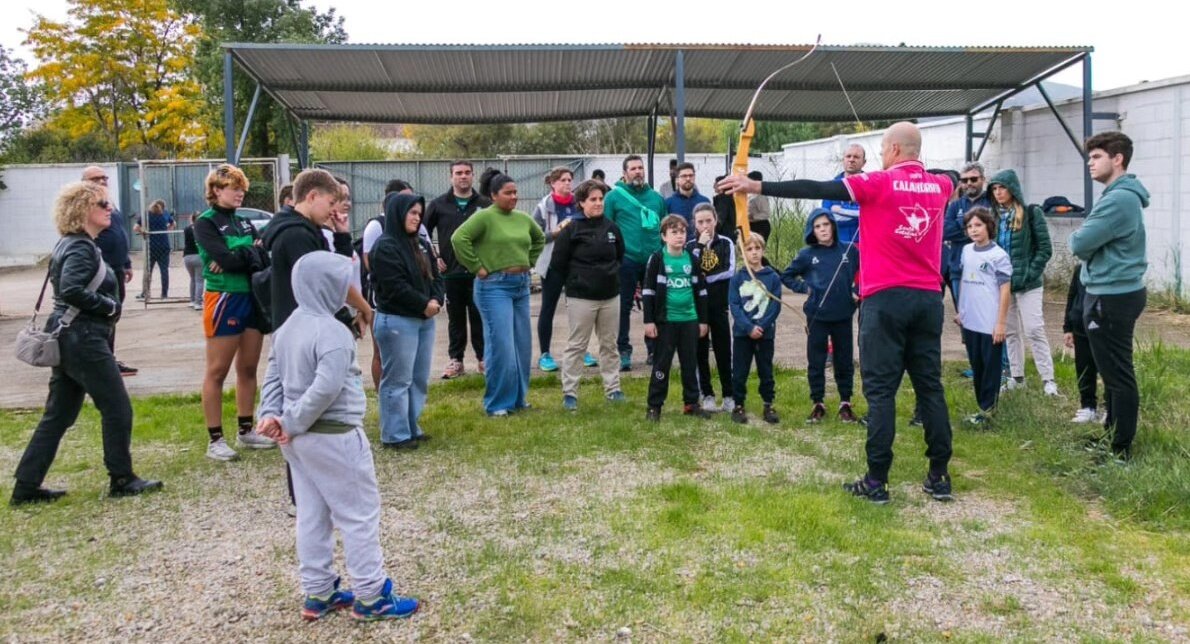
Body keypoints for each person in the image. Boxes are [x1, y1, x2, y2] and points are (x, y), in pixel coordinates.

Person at [718, 121, 956, 504]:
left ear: (894, 149)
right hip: (928, 300)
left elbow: (818, 189)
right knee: (930, 385)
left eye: (882, 148)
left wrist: (756, 186)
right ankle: (939, 475)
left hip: (886, 300)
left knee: (880, 392)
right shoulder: (940, 186)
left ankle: (877, 481)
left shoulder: (878, 182)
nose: (879, 155)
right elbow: (953, 178)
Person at [255, 251, 420, 622]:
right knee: (359, 514)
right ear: (326, 286)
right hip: (335, 436)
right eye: (342, 282)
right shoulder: (333, 332)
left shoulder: (287, 326)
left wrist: (273, 415)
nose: (348, 290)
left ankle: (318, 591)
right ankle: (371, 595)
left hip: (297, 444)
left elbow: (274, 374)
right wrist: (290, 420)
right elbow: (326, 388)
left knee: (312, 514)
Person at [10, 181, 163, 505]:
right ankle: (121, 478)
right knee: (117, 407)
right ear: (82, 211)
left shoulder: (72, 243)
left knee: (59, 415)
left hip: (71, 336)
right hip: (83, 337)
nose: (110, 209)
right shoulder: (80, 247)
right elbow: (70, 289)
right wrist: (110, 306)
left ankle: (26, 486)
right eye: (102, 205)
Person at [1068, 131, 1149, 462]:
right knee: (1111, 373)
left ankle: (1121, 450)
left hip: (1112, 296)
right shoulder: (1116, 195)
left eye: (1097, 156)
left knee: (1118, 375)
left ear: (1118, 159)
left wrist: (1083, 236)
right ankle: (1111, 434)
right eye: (1089, 157)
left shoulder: (1119, 200)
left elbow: (1078, 244)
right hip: (1108, 291)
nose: (1090, 163)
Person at [193, 164, 274, 462]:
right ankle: (215, 439)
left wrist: (240, 253)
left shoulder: (244, 222)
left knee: (249, 367)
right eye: (233, 187)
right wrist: (245, 252)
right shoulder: (205, 222)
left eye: (242, 188)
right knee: (217, 370)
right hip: (224, 297)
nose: (240, 193)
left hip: (251, 296)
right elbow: (223, 259)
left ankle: (246, 429)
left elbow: (262, 256)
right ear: (216, 190)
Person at [451, 168, 545, 417]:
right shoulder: (484, 217)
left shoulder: (523, 218)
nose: (514, 197)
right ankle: (497, 403)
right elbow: (459, 239)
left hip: (521, 286)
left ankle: (518, 399)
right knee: (501, 345)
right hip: (494, 287)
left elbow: (539, 239)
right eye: (508, 193)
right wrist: (478, 267)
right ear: (493, 195)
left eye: (515, 192)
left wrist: (529, 261)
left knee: (522, 345)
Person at [370, 193, 443, 449]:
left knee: (419, 377)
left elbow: (435, 275)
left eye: (419, 213)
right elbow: (394, 287)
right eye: (411, 213)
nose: (417, 218)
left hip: (424, 319)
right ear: (397, 214)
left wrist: (436, 299)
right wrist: (424, 305)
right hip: (398, 321)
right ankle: (394, 434)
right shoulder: (386, 246)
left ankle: (412, 426)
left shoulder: (420, 243)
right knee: (398, 379)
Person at [550, 179, 626, 410]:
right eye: (592, 199)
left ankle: (613, 389)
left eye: (601, 199)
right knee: (577, 346)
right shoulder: (571, 229)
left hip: (610, 296)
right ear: (581, 202)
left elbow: (620, 256)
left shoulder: (612, 227)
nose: (598, 203)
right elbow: (557, 264)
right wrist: (577, 282)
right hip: (581, 297)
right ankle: (570, 393)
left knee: (609, 345)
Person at [264, 169, 370, 333]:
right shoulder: (296, 234)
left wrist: (342, 236)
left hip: (309, 327)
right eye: (330, 203)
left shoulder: (310, 230)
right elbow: (324, 284)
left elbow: (335, 272)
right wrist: (362, 311)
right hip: (300, 331)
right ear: (312, 196)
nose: (333, 211)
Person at [781, 208, 860, 424]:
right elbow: (787, 275)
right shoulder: (807, 254)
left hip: (843, 314)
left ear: (833, 225)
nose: (823, 230)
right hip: (817, 316)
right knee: (816, 360)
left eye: (826, 224)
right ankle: (818, 402)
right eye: (817, 226)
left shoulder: (849, 250)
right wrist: (805, 288)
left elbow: (867, 271)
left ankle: (845, 403)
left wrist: (858, 291)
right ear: (812, 230)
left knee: (844, 360)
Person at [986, 169, 1057, 396]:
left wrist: (1029, 272)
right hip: (1004, 284)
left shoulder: (1031, 213)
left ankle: (1049, 380)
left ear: (1013, 188)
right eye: (994, 189)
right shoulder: (994, 216)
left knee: (1034, 329)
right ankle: (1017, 377)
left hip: (1028, 284)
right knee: (1010, 332)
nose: (998, 192)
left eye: (1002, 187)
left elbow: (1045, 248)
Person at [425, 161, 490, 379]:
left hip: (478, 272)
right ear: (451, 177)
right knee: (455, 319)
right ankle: (456, 360)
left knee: (479, 316)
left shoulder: (485, 203)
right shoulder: (438, 204)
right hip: (451, 273)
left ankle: (483, 359)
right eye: (458, 173)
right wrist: (434, 257)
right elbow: (421, 232)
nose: (463, 177)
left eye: (467, 173)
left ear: (473, 176)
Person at [643, 215, 710, 422]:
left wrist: (703, 320)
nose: (679, 236)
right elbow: (648, 291)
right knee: (662, 364)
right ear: (664, 236)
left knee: (690, 363)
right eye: (674, 232)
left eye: (682, 232)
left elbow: (701, 292)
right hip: (666, 321)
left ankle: (691, 403)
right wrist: (649, 321)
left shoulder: (692, 259)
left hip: (689, 320)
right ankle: (654, 406)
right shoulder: (657, 259)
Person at [604, 154, 665, 371]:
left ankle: (654, 348)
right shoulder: (613, 197)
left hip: (653, 259)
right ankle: (623, 350)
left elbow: (664, 228)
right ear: (624, 173)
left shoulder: (656, 198)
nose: (638, 172)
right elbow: (607, 228)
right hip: (626, 259)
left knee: (655, 305)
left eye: (640, 168)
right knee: (623, 306)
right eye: (633, 168)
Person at [954, 207, 1012, 425]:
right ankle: (981, 408)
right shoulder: (967, 250)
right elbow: (966, 283)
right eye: (969, 226)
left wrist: (1001, 323)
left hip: (990, 322)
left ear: (989, 226)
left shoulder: (998, 255)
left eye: (978, 225)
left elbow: (1005, 289)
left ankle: (989, 412)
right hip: (970, 321)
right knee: (977, 366)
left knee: (990, 369)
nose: (973, 230)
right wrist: (962, 311)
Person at [361, 178, 416, 389]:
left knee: (406, 349)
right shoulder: (376, 225)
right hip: (382, 297)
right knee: (381, 351)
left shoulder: (413, 225)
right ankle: (382, 391)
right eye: (406, 199)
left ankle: (405, 390)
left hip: (409, 295)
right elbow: (369, 261)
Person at [532, 166, 587, 373]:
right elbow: (535, 236)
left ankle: (581, 350)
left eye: (569, 180)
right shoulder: (544, 206)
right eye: (562, 180)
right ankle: (545, 354)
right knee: (548, 308)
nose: (567, 183)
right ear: (553, 183)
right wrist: (556, 232)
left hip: (577, 263)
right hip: (553, 264)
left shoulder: (579, 204)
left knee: (579, 309)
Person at [82, 166, 137, 376]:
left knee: (113, 314)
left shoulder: (109, 203)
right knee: (103, 315)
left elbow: (119, 234)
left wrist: (126, 263)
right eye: (96, 178)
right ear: (85, 182)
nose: (103, 181)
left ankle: (107, 359)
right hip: (99, 272)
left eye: (105, 177)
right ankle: (100, 362)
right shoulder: (85, 205)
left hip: (116, 269)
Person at [728, 233, 782, 425]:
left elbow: (775, 306)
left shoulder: (773, 277)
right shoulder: (737, 279)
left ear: (763, 250)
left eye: (757, 248)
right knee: (740, 371)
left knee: (766, 371)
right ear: (743, 253)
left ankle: (768, 404)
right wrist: (749, 327)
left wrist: (762, 326)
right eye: (749, 249)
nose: (754, 253)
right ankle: (738, 404)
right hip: (743, 334)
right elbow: (734, 306)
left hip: (765, 334)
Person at [686, 203, 735, 412]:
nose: (705, 225)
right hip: (698, 308)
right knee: (700, 351)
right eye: (700, 222)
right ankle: (706, 393)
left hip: (719, 304)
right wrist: (699, 247)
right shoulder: (690, 247)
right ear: (694, 224)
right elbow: (689, 271)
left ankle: (729, 394)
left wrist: (705, 277)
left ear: (715, 220)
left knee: (724, 350)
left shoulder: (726, 243)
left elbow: (729, 269)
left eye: (708, 220)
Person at [942, 162, 991, 307]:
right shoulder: (955, 205)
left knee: (986, 315)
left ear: (983, 179)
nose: (969, 183)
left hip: (986, 270)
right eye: (964, 180)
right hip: (959, 270)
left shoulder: (991, 202)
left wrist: (960, 226)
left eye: (974, 179)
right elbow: (945, 232)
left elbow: (991, 231)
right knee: (964, 317)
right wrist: (975, 227)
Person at [1063, 264, 1102, 424]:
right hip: (1080, 325)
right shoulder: (1080, 268)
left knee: (1107, 370)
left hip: (1102, 327)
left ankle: (1110, 408)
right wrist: (1068, 327)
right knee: (1084, 368)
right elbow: (1072, 296)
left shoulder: (1107, 269)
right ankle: (1088, 407)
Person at [822, 144, 867, 246]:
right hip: (838, 245)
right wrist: (859, 213)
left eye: (856, 157)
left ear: (864, 162)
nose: (851, 160)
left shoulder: (871, 185)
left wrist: (840, 209)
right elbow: (830, 217)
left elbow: (873, 215)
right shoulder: (831, 187)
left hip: (865, 246)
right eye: (848, 156)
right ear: (843, 160)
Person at [665, 162, 711, 241]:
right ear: (677, 180)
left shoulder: (704, 202)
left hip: (701, 246)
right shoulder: (668, 203)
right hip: (678, 249)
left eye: (691, 175)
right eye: (684, 176)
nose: (688, 179)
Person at [140, 199, 175, 299]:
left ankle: (146, 293)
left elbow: (136, 227)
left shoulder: (147, 215)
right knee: (164, 271)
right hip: (164, 246)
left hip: (151, 246)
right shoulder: (165, 214)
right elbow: (173, 223)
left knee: (148, 271)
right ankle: (164, 294)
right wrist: (166, 230)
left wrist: (143, 232)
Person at [746, 171, 773, 242]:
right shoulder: (750, 194)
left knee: (758, 246)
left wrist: (753, 217)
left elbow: (766, 213)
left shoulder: (761, 196)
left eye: (749, 181)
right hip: (751, 225)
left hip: (760, 226)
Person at [182, 220, 203, 310]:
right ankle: (198, 302)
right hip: (198, 256)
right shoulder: (202, 228)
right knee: (199, 280)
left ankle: (192, 300)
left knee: (193, 279)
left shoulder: (187, 229)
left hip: (187, 256)